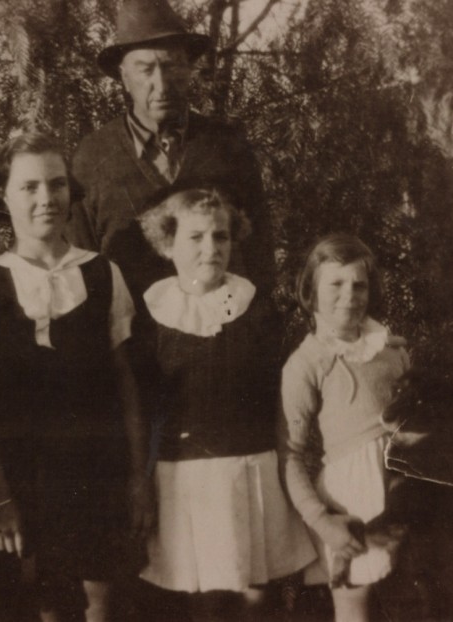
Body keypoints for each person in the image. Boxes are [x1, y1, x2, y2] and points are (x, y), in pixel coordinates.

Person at [0, 133, 154, 622]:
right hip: (26, 479)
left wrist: (137, 479)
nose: (46, 198)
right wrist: (0, 496)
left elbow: (127, 383)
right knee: (46, 605)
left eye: (57, 184)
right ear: (4, 196)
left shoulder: (104, 274)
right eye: (29, 187)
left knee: (100, 606)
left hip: (97, 472)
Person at [135, 188, 315, 621]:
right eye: (195, 237)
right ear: (168, 244)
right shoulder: (151, 314)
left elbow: (284, 386)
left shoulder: (255, 307)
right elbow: (141, 405)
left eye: (221, 236)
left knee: (257, 595)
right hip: (187, 476)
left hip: (252, 466)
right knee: (208, 597)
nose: (210, 248)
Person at [69, 0, 274, 305]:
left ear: (190, 69)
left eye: (170, 66)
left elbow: (260, 260)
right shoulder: (93, 157)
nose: (160, 84)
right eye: (145, 69)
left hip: (216, 338)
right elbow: (80, 267)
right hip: (129, 343)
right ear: (124, 77)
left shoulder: (228, 147)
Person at [278, 233, 410, 622]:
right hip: (352, 501)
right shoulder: (306, 363)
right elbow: (290, 455)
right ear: (310, 290)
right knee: (355, 608)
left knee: (413, 598)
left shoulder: (391, 348)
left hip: (403, 490)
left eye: (359, 284)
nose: (349, 295)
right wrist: (322, 521)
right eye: (335, 284)